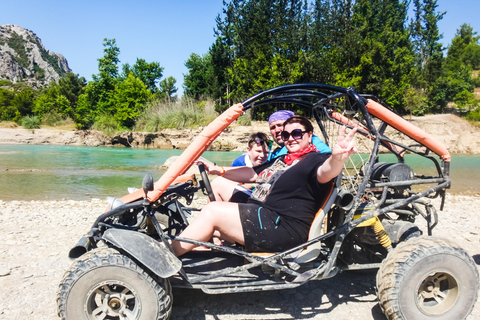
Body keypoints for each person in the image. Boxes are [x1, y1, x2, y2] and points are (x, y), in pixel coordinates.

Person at [170, 116, 357, 256]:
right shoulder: (284, 159)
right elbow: (253, 174)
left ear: (309, 135)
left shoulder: (316, 159)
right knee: (219, 184)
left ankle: (169, 253)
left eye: (297, 133)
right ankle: (216, 238)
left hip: (283, 227)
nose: (290, 138)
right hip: (262, 211)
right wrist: (218, 170)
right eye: (286, 134)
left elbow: (326, 172)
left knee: (212, 211)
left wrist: (337, 157)